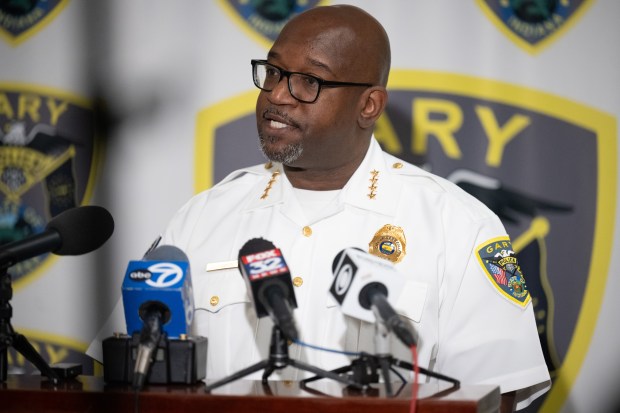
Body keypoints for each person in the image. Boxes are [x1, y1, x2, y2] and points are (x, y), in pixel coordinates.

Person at [89, 5, 550, 411]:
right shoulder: (203, 217)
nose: (277, 94)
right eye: (272, 72)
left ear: (368, 105)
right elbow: (127, 372)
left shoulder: (459, 225)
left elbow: (495, 394)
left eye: (308, 81)